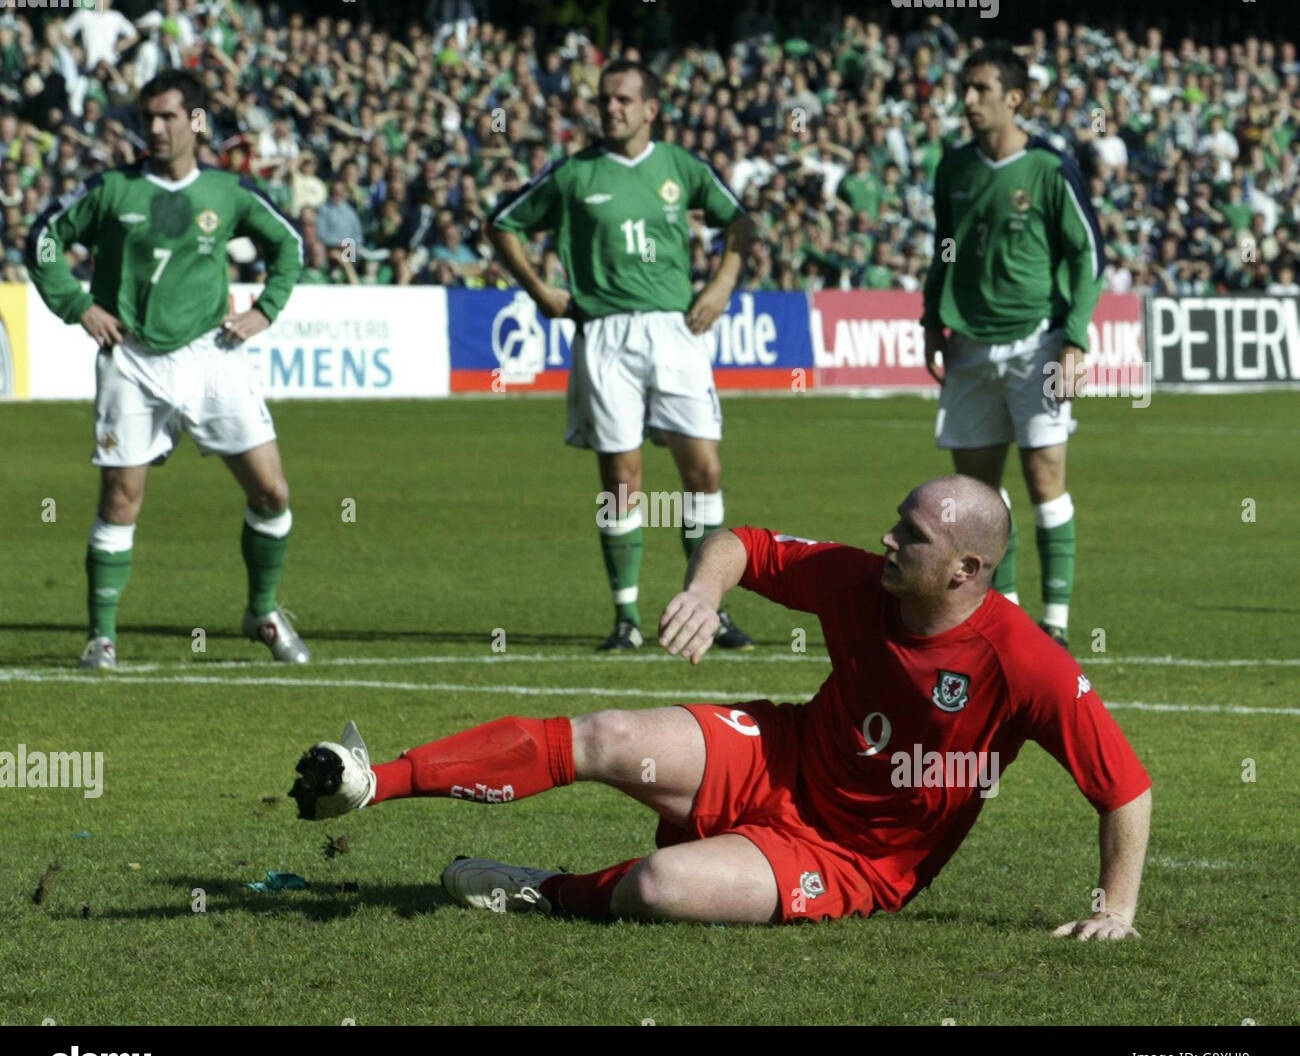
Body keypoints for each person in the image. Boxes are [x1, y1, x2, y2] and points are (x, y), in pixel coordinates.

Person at [289, 475, 1151, 937]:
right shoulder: (863, 582)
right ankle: (372, 781)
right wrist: (706, 592)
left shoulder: (1026, 662)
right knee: (610, 734)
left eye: (912, 537)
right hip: (781, 752)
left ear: (965, 571)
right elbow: (745, 543)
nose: (888, 539)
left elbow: (1126, 789)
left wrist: (1116, 911)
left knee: (661, 888)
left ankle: (546, 891)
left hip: (856, 861)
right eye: (897, 522)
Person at [27, 70, 307, 670]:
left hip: (213, 354)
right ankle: (101, 637)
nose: (154, 128)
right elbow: (44, 238)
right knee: (121, 500)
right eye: (147, 117)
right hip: (131, 359)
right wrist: (78, 306)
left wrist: (264, 310)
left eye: (168, 117)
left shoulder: (228, 193)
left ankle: (262, 611)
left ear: (196, 122)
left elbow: (290, 245)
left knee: (272, 490)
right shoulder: (110, 189)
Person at [486, 59, 757, 653]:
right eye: (605, 99)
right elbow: (502, 224)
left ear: (650, 109)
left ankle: (707, 607)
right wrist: (540, 291)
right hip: (604, 334)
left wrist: (721, 285)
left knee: (703, 470)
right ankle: (627, 618)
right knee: (621, 478)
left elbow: (740, 222)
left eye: (624, 99)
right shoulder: (574, 174)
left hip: (674, 330)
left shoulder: (681, 168)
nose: (611, 108)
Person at [923, 44, 1105, 649]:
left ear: (1014, 98)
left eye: (979, 89)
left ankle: (1055, 621)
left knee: (1042, 476)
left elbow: (1088, 254)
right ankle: (1010, 615)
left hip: (1039, 343)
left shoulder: (1051, 169)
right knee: (977, 497)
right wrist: (932, 321)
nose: (967, 100)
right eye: (964, 89)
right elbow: (943, 247)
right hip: (970, 346)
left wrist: (1074, 340)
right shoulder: (953, 168)